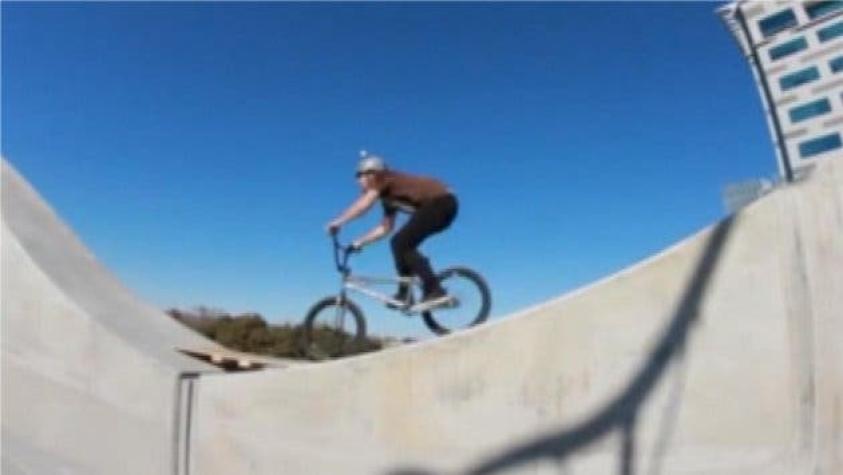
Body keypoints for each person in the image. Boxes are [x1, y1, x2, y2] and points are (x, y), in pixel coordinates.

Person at [326, 152, 458, 310]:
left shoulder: (384, 179)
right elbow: (385, 228)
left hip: (442, 203)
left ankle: (435, 289)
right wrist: (358, 243)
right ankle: (405, 293)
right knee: (397, 243)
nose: (358, 183)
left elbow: (363, 206)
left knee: (403, 243)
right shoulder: (388, 197)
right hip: (438, 208)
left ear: (371, 174)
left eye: (359, 177)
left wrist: (339, 222)